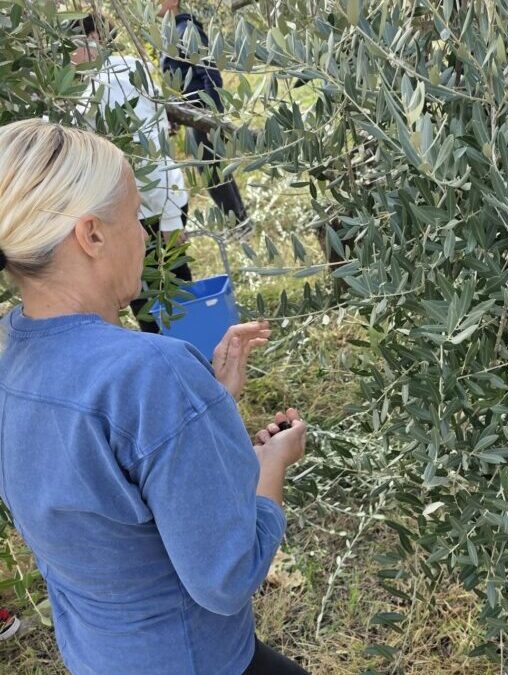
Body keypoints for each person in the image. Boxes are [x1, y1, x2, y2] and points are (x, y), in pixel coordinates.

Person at [0, 119, 308, 673]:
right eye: (137, 217)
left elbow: (103, 495)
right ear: (91, 234)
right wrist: (270, 470)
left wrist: (208, 401)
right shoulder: (150, 374)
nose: (145, 235)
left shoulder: (11, 356)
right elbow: (228, 577)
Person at [71, 13, 191, 333]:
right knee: (151, 296)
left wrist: (169, 220)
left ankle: (190, 367)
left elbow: (146, 152)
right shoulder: (108, 78)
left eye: (72, 46)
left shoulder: (117, 79)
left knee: (160, 297)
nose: (68, 56)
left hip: (152, 207)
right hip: (146, 207)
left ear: (94, 38)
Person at [157, 0, 252, 235]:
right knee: (215, 172)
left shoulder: (186, 30)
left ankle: (238, 226)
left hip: (202, 113)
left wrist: (212, 118)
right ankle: (240, 224)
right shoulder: (170, 33)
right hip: (193, 115)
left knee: (212, 175)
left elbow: (210, 74)